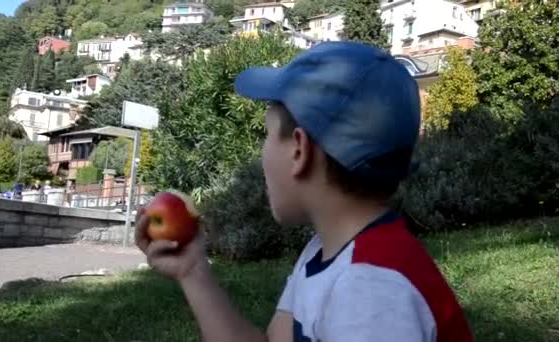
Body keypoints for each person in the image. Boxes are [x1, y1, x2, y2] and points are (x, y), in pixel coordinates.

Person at [135, 41, 472, 342]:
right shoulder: (328, 251)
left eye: (266, 135)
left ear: (299, 149)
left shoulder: (372, 288)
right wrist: (193, 271)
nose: (262, 151)